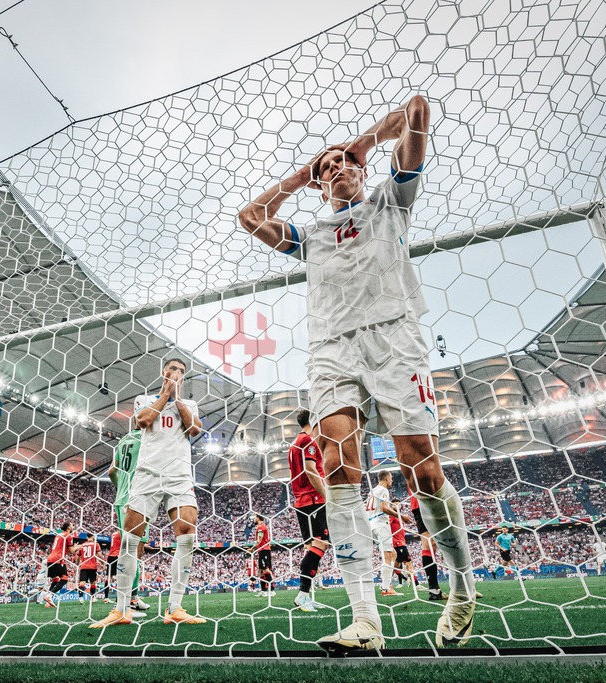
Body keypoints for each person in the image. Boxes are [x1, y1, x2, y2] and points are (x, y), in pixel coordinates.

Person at [239, 94, 476, 652]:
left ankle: (463, 590)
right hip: (331, 348)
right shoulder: (311, 237)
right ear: (319, 185)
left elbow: (417, 110)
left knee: (421, 467)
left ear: (364, 170)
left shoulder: (390, 202)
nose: (337, 170)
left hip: (395, 339)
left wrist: (358, 146)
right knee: (338, 465)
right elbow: (251, 218)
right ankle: (365, 621)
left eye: (345, 165)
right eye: (328, 169)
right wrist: (304, 175)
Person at [92, 358, 205, 627]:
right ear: (163, 372)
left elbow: (194, 428)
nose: (176, 373)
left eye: (181, 371)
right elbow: (143, 420)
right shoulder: (144, 399)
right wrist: (166, 394)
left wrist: (177, 399)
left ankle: (175, 608)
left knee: (187, 535)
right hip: (147, 474)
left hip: (179, 475)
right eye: (173, 369)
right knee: (130, 539)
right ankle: (121, 610)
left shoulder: (189, 405)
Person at [288, 408, 330, 612]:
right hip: (313, 499)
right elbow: (310, 469)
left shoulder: (295, 442)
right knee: (321, 544)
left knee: (312, 546)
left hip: (301, 501)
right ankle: (302, 595)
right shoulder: (308, 440)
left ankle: (306, 596)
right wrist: (327, 496)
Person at [108, 427, 154, 614]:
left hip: (121, 499)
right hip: (139, 499)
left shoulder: (123, 440)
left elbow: (111, 471)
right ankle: (126, 601)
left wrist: (121, 490)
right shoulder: (148, 439)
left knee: (128, 550)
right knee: (136, 552)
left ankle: (131, 598)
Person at [366, 470, 403, 596]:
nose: (391, 480)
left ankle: (387, 585)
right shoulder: (383, 490)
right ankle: (386, 588)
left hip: (371, 525)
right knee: (387, 555)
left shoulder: (372, 491)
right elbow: (384, 508)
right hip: (381, 524)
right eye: (391, 478)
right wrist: (401, 516)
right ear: (386, 478)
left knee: (393, 553)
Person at [409, 494, 448, 601]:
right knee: (429, 543)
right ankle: (434, 590)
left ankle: (462, 588)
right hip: (422, 503)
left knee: (433, 544)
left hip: (433, 501)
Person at [41, 522, 75, 608]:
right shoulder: (68, 535)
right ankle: (49, 595)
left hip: (50, 558)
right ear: (68, 527)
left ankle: (48, 602)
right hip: (58, 559)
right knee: (64, 579)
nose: (73, 527)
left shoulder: (58, 535)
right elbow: (71, 551)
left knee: (55, 579)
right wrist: (76, 548)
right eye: (72, 525)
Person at [74, 532, 101, 603]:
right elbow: (99, 554)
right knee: (92, 582)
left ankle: (80, 598)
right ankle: (92, 598)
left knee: (82, 582)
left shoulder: (82, 545)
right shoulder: (96, 544)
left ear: (87, 537)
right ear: (93, 537)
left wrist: (77, 564)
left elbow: (78, 556)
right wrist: (102, 563)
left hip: (84, 566)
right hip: (92, 566)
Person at [253, 514, 274, 596]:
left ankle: (271, 590)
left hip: (264, 550)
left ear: (258, 518)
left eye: (255, 517)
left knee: (266, 570)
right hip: (261, 550)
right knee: (261, 571)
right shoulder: (262, 527)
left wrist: (252, 549)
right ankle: (263, 591)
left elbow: (259, 540)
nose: (254, 519)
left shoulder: (261, 527)